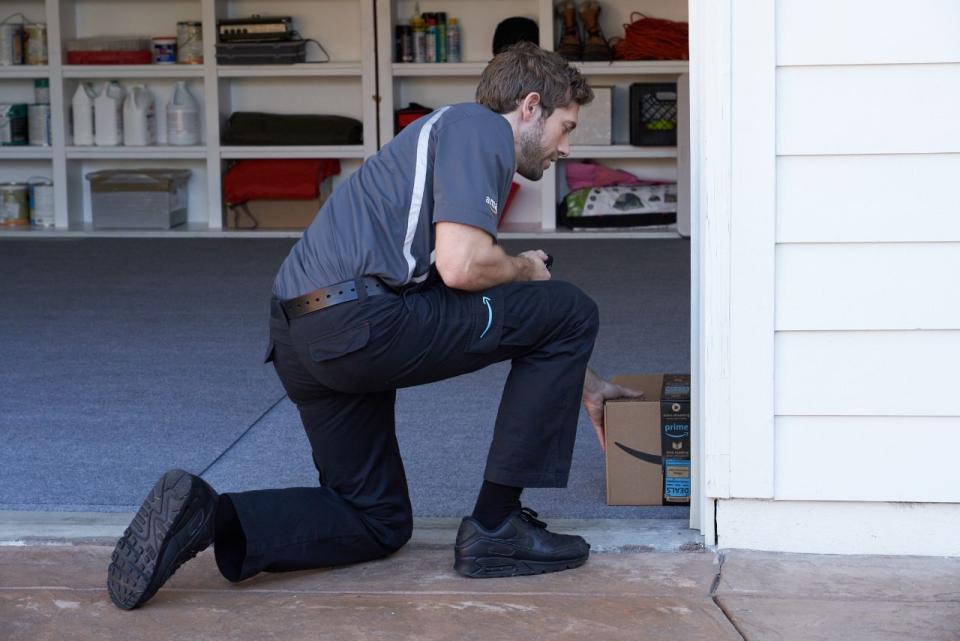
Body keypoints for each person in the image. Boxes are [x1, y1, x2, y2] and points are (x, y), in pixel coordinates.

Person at [106, 41, 642, 610]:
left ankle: (208, 513)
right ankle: (497, 526)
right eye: (566, 126)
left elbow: (450, 274)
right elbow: (462, 268)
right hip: (361, 321)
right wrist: (526, 270)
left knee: (375, 519)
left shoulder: (435, 137)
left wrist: (586, 384)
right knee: (569, 306)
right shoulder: (481, 129)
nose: (566, 146)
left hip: (301, 334)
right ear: (530, 107)